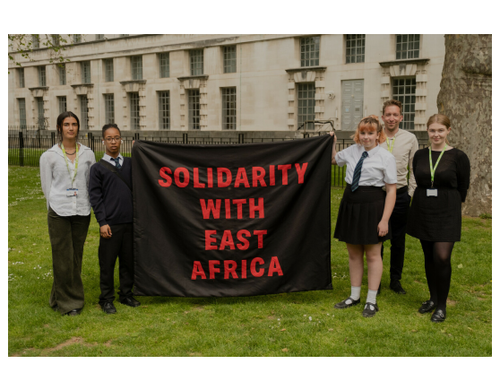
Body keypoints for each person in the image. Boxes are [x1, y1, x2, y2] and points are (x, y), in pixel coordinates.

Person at [331, 115, 397, 317]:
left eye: (370, 133)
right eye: (363, 133)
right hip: (351, 203)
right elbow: (334, 160)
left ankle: (371, 300)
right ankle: (354, 295)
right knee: (353, 253)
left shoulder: (386, 157)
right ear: (358, 134)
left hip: (373, 205)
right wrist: (331, 143)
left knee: (373, 254)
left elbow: (392, 190)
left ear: (378, 135)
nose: (366, 137)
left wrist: (384, 219)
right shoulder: (352, 151)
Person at [407, 114, 470, 323]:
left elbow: (463, 186)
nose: (436, 134)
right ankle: (433, 298)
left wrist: (450, 203)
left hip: (447, 210)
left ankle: (442, 306)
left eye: (440, 130)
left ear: (448, 131)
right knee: (428, 256)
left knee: (442, 257)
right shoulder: (420, 155)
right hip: (423, 208)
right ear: (428, 131)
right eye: (432, 130)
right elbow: (418, 178)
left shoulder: (458, 156)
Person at [40, 112, 96, 316]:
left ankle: (57, 297)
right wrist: (54, 205)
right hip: (59, 210)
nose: (71, 128)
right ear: (59, 128)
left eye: (74, 124)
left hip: (81, 209)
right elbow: (47, 186)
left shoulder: (88, 154)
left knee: (75, 257)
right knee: (62, 257)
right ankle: (71, 303)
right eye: (66, 124)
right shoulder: (49, 156)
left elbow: (91, 182)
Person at [88, 124, 140, 314]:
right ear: (103, 141)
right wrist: (102, 222)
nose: (113, 142)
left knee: (128, 261)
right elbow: (96, 198)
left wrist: (140, 150)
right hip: (110, 224)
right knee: (107, 263)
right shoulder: (97, 169)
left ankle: (126, 294)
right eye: (109, 138)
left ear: (121, 140)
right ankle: (106, 299)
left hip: (130, 222)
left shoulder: (130, 164)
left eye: (116, 138)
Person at [379, 99, 419, 294]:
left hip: (401, 194)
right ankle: (375, 281)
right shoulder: (375, 136)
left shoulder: (410, 138)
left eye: (395, 115)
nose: (392, 118)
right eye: (388, 115)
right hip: (378, 195)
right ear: (383, 117)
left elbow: (415, 168)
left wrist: (410, 193)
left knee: (398, 240)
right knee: (376, 239)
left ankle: (395, 279)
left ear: (401, 117)